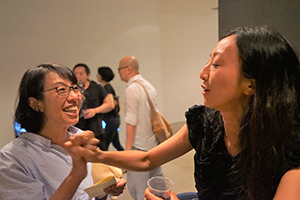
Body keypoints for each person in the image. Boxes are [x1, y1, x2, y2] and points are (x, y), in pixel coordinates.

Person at [65, 27, 300, 200]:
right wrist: (96, 155)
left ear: (251, 84)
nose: (203, 72)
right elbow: (148, 159)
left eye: (216, 64)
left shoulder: (290, 151)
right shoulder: (206, 122)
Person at [0, 63, 126, 200]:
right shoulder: (12, 159)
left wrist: (103, 190)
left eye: (75, 88)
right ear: (36, 104)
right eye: (61, 90)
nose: (74, 97)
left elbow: (81, 194)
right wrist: (75, 176)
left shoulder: (79, 137)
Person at [117, 55, 164, 200]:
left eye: (120, 69)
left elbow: (131, 122)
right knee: (158, 185)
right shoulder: (148, 86)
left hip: (139, 147)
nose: (118, 72)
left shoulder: (132, 90)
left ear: (128, 69)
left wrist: (127, 151)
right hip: (153, 144)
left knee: (138, 190)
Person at [73, 63, 114, 150]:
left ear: (87, 75)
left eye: (81, 74)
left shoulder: (97, 88)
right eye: (75, 74)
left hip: (95, 131)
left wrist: (95, 110)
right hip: (77, 131)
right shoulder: (72, 89)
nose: (78, 76)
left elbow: (110, 105)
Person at [97, 66, 124, 151]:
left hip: (112, 120)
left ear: (102, 75)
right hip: (113, 120)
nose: (97, 75)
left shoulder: (107, 89)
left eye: (98, 74)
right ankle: (127, 160)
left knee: (104, 144)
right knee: (116, 143)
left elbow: (112, 104)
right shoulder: (108, 87)